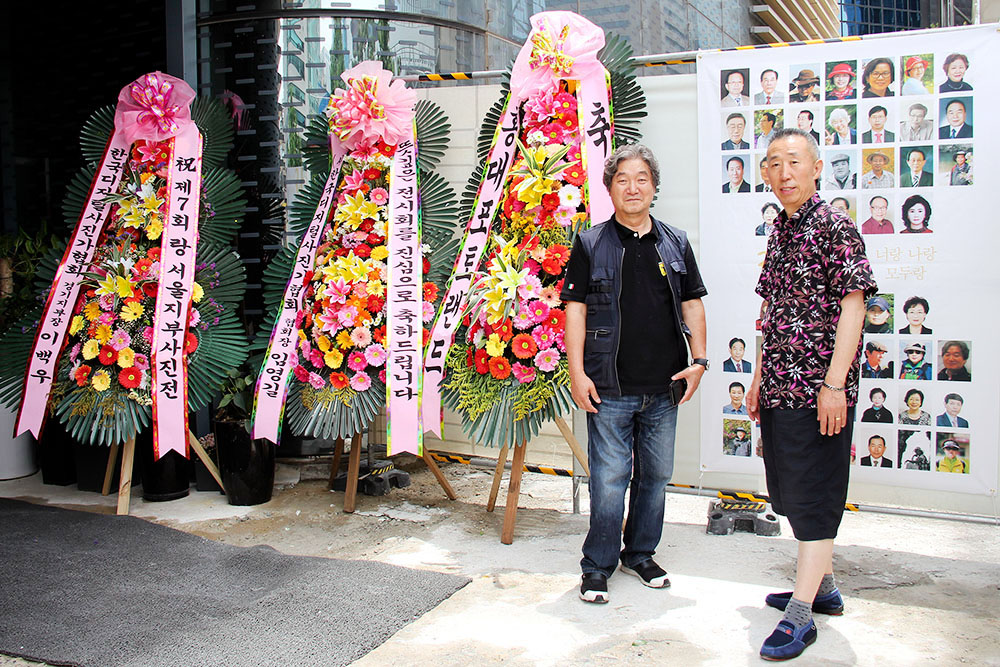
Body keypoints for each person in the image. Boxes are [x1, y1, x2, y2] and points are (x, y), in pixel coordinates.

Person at [748, 127, 875, 661]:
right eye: (774, 162)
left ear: (817, 167)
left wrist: (834, 384)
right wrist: (759, 376)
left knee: (815, 494)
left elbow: (854, 305)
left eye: (794, 161)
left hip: (819, 391)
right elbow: (770, 310)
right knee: (790, 489)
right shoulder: (780, 229)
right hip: (780, 385)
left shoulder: (835, 226)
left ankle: (801, 615)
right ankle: (823, 588)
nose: (784, 172)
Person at [563, 143, 708, 605]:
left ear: (654, 186)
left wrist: (700, 361)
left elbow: (692, 302)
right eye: (622, 179)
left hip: (665, 387)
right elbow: (575, 310)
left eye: (641, 178)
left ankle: (640, 554)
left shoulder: (675, 241)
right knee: (609, 480)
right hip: (610, 387)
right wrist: (577, 373)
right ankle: (597, 565)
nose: (632, 187)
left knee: (656, 476)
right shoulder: (590, 243)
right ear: (609, 189)